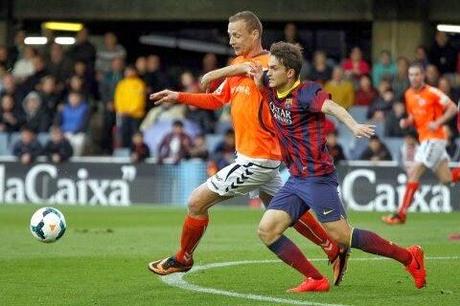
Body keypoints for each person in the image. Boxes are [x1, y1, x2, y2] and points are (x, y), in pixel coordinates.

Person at [148, 11, 346, 285]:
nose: (231, 40)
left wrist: (217, 71)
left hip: (258, 159)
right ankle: (327, 254)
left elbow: (255, 71)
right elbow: (217, 99)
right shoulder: (239, 63)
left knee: (196, 202)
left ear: (255, 34)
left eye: (237, 35)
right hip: (257, 158)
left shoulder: (270, 65)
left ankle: (183, 257)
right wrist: (178, 96)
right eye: (229, 35)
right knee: (286, 213)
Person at [246, 41, 425, 292]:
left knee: (342, 236)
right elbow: (251, 71)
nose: (268, 72)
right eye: (268, 68)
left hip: (318, 177)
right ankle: (316, 280)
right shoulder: (269, 82)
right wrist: (230, 76)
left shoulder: (307, 92)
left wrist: (352, 125)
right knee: (267, 230)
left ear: (289, 73)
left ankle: (410, 257)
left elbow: (332, 107)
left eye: (273, 68)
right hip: (296, 178)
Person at [382, 63, 460, 225]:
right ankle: (400, 214)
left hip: (435, 138)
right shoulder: (408, 94)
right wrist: (407, 121)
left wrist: (438, 122)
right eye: (411, 74)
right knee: (446, 179)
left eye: (417, 74)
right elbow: (414, 116)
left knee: (414, 172)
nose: (414, 77)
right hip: (425, 139)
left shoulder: (432, 92)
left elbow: (453, 108)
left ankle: (400, 214)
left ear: (423, 76)